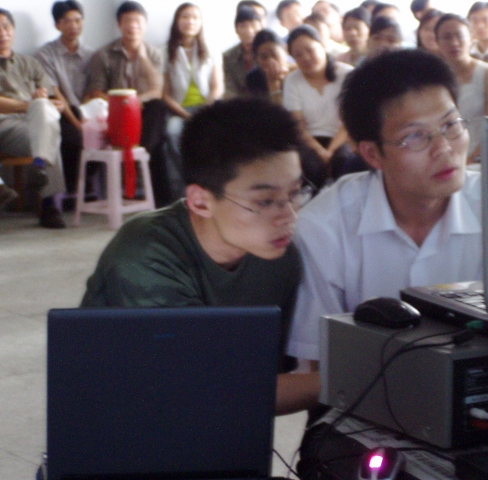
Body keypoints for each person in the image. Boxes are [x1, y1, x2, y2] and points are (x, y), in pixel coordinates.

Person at [81, 97, 320, 415]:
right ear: (200, 201)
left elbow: (258, 382)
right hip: (123, 423)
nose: (289, 215)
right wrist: (354, 379)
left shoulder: (279, 259)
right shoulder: (144, 255)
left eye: (294, 192)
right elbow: (198, 392)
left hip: (220, 431)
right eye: (265, 201)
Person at [287, 48, 483, 365]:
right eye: (415, 136)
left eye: (451, 124)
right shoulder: (322, 228)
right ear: (372, 154)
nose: (444, 148)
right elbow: (321, 361)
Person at [85, 1, 171, 206]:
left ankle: (143, 154)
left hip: (144, 115)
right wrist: (125, 104)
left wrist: (143, 59)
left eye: (138, 22)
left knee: (158, 107)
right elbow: (96, 92)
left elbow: (157, 90)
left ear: (145, 25)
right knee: (157, 140)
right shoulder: (103, 55)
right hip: (115, 115)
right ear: (119, 24)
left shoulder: (155, 54)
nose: (133, 26)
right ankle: (144, 164)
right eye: (128, 21)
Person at [0, 8, 66, 228]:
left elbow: (50, 100)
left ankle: (40, 168)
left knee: (47, 122)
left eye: (6, 26)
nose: (1, 32)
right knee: (48, 131)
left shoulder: (30, 63)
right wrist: (30, 105)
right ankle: (49, 205)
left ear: (13, 30)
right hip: (2, 123)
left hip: (34, 121)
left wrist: (50, 104)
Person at [163, 3, 223, 201]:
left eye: (195, 18)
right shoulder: (166, 52)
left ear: (201, 23)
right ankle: (182, 191)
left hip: (207, 108)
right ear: (177, 22)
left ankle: (209, 189)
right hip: (179, 110)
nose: (190, 21)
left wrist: (203, 111)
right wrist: (186, 115)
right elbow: (165, 94)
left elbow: (217, 87)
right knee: (172, 132)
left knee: (211, 137)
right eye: (185, 17)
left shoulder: (211, 49)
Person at [283, 25, 356, 187]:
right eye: (298, 55)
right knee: (308, 166)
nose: (306, 58)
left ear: (322, 45)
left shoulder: (346, 74)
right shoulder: (292, 80)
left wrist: (330, 151)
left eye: (310, 50)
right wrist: (320, 151)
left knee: (344, 161)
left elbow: (349, 121)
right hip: (309, 141)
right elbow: (298, 126)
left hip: (342, 139)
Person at [36, 0, 94, 196]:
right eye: (67, 21)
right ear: (57, 25)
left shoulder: (91, 54)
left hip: (85, 109)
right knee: (72, 137)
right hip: (60, 111)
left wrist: (85, 116)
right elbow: (55, 92)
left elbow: (92, 89)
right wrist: (78, 123)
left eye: (78, 20)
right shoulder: (45, 54)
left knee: (102, 136)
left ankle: (86, 183)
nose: (74, 26)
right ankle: (73, 190)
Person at [435, 14, 488, 162]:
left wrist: (468, 160)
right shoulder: (434, 79)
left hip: (480, 158)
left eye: (459, 36)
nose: (454, 42)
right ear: (437, 42)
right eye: (446, 37)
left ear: (471, 37)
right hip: (445, 156)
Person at [223, 7, 263, 99]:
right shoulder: (228, 57)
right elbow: (230, 89)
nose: (249, 30)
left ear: (261, 27)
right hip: (240, 104)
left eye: (253, 25)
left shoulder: (269, 52)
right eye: (243, 26)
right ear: (236, 30)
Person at [245, 29, 292, 103]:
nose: (270, 61)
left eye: (274, 54)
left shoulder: (298, 72)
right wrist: (273, 84)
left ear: (285, 50)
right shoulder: (253, 79)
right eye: (264, 57)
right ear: (256, 59)